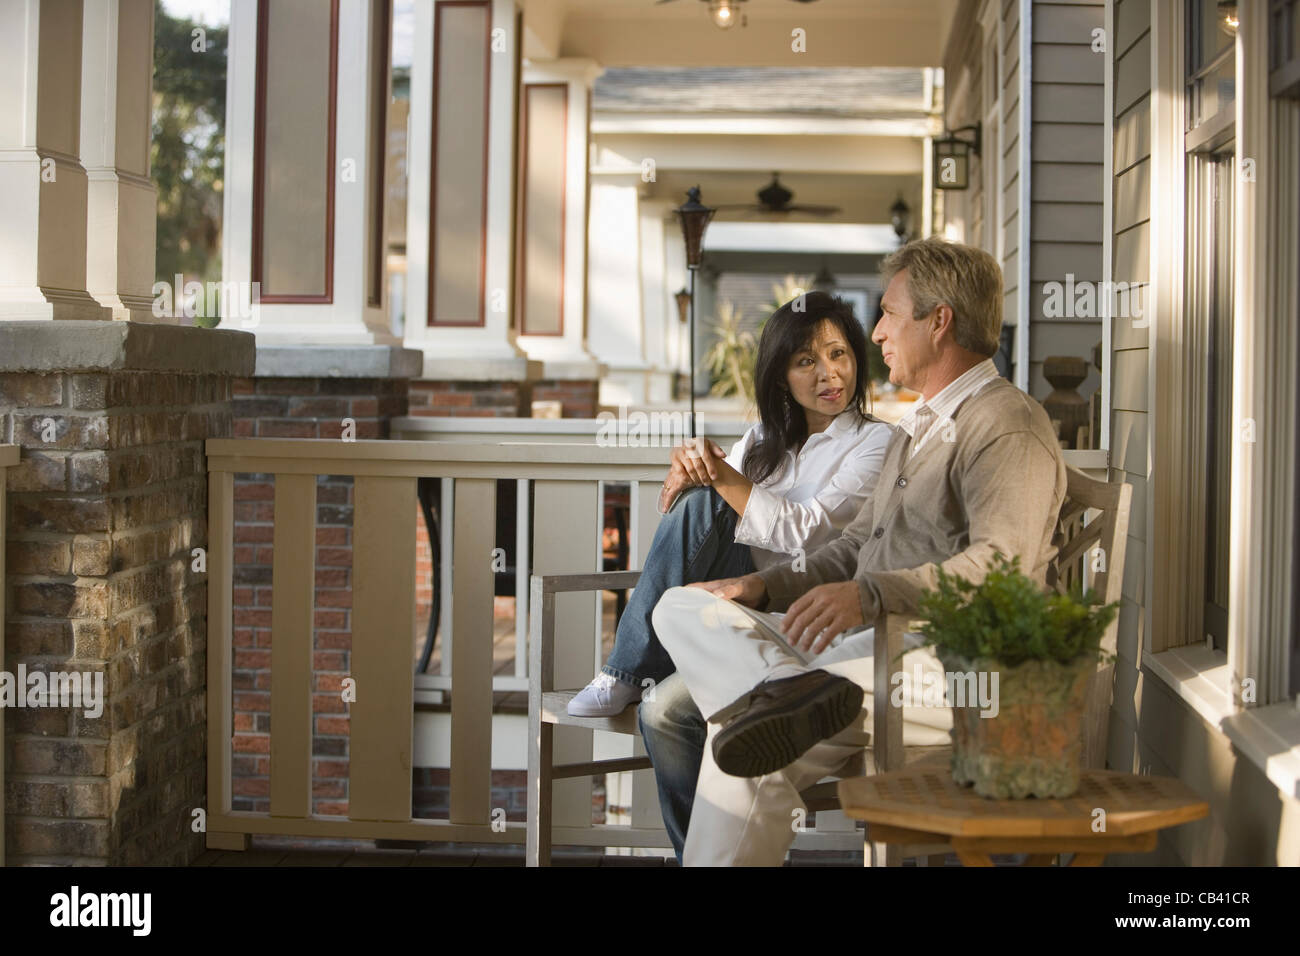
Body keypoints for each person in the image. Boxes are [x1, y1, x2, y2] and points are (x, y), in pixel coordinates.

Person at [643, 237, 1068, 865]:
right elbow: (852, 544)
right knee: (681, 607)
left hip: (943, 664)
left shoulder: (1005, 424)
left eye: (891, 313)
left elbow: (999, 569)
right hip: (856, 654)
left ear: (939, 320)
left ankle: (781, 698)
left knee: (745, 740)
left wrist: (869, 594)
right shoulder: (917, 429)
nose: (878, 331)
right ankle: (786, 693)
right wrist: (762, 588)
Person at [567, 291, 894, 719]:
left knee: (659, 710)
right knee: (702, 497)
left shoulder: (876, 441)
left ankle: (629, 669)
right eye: (806, 362)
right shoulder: (761, 439)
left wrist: (716, 473)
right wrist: (690, 468)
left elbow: (805, 532)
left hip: (799, 605)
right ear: (781, 378)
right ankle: (633, 672)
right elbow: (693, 523)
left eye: (838, 355)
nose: (829, 375)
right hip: (727, 599)